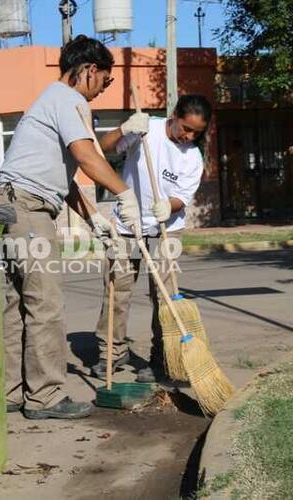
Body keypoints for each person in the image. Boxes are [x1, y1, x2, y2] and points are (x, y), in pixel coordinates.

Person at [0, 35, 148, 419]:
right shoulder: (69, 100)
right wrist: (125, 194)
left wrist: (92, 217)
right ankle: (45, 397)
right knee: (45, 302)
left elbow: (65, 176)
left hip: (7, 203)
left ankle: (10, 391)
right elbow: (86, 155)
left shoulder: (49, 101)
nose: (101, 91)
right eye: (105, 82)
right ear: (90, 71)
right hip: (26, 207)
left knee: (16, 304)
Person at [89, 94, 212, 383]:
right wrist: (124, 129)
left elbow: (182, 197)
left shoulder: (193, 157)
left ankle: (161, 358)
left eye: (196, 132)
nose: (189, 136)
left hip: (166, 230)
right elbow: (101, 151)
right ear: (174, 115)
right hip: (127, 226)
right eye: (186, 128)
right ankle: (112, 353)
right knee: (116, 293)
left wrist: (169, 206)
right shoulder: (146, 129)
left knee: (164, 297)